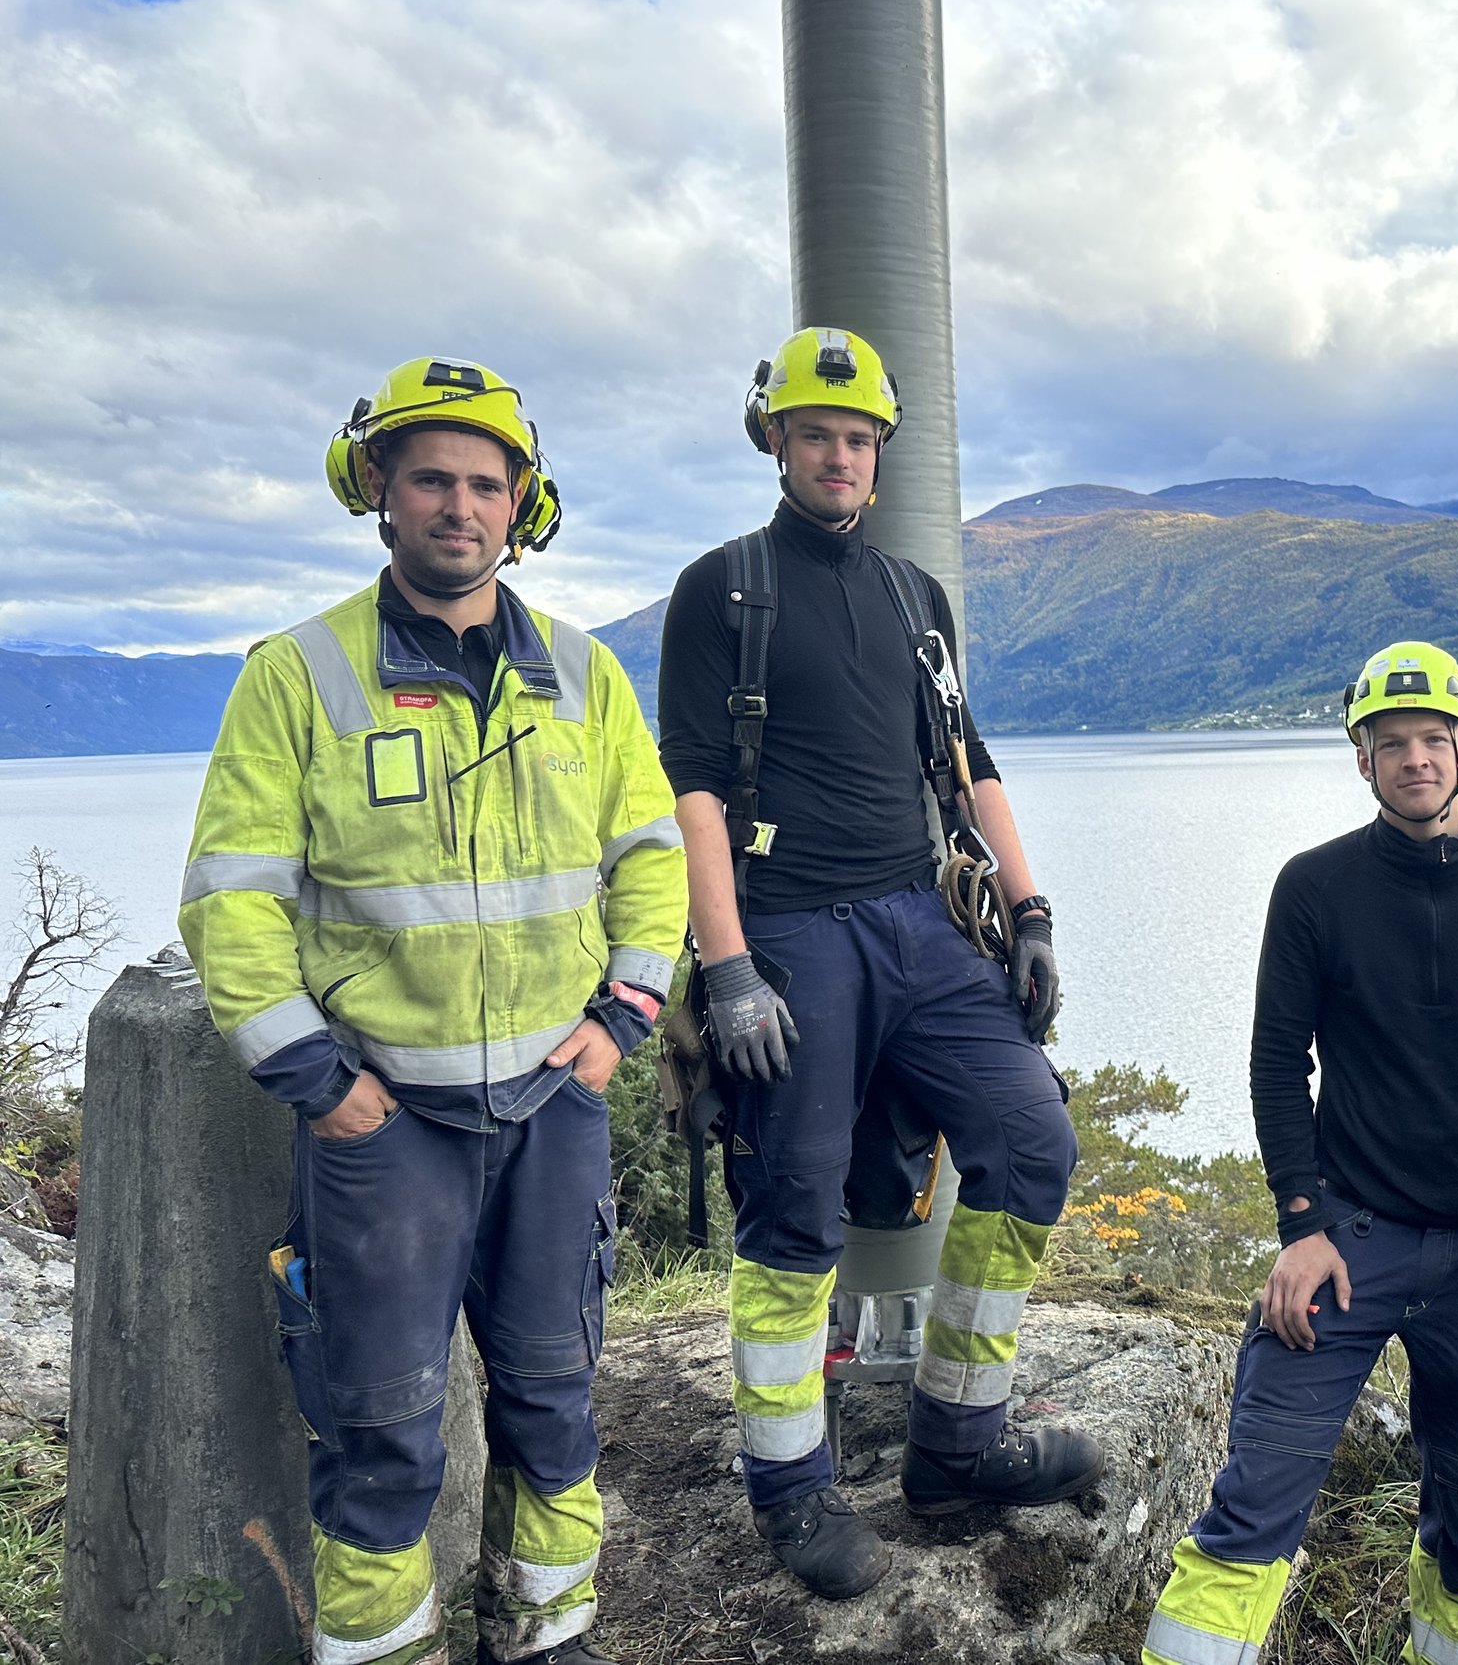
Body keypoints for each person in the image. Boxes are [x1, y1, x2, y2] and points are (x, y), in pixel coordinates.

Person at [180, 358, 686, 1665]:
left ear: (524, 504)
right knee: (384, 1431)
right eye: (431, 478)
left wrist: (620, 1017)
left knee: (555, 1408)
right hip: (382, 1120)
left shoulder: (583, 675)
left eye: (485, 482)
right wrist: (318, 1081)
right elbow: (232, 898)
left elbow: (652, 855)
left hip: (550, 1107)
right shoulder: (297, 675)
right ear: (380, 494)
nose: (459, 505)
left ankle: (547, 1641)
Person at [655, 325, 1096, 1602]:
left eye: (858, 439)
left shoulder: (915, 597)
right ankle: (789, 1487)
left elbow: (970, 762)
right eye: (815, 435)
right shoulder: (723, 588)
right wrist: (727, 965)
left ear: (879, 453)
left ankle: (957, 1446)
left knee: (1030, 1146)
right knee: (794, 1208)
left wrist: (1031, 909)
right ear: (775, 442)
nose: (839, 455)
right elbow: (690, 788)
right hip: (788, 925)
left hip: (916, 919)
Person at [1141, 641, 1458, 1665]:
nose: (1415, 759)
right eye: (1391, 743)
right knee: (1255, 1500)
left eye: (1434, 739)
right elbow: (1273, 1064)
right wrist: (1298, 1226)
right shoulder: (1315, 887)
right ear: (1361, 760)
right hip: (1350, 1242)